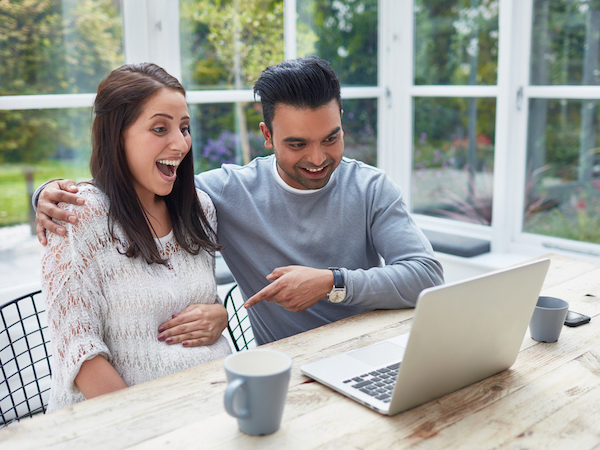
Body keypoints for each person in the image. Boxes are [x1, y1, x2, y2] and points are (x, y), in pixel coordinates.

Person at [35, 57, 444, 346]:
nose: (318, 158)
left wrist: (331, 283)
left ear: (341, 123)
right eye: (297, 144)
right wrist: (46, 193)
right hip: (291, 370)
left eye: (331, 138)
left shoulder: (371, 188)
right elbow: (133, 181)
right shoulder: (226, 194)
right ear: (267, 137)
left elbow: (426, 275)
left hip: (376, 349)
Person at [41, 63, 231, 412]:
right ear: (117, 136)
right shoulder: (78, 219)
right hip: (125, 426)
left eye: (185, 128)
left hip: (214, 406)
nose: (181, 143)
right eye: (160, 128)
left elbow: (197, 301)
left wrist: (221, 315)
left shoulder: (199, 209)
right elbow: (80, 354)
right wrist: (149, 426)